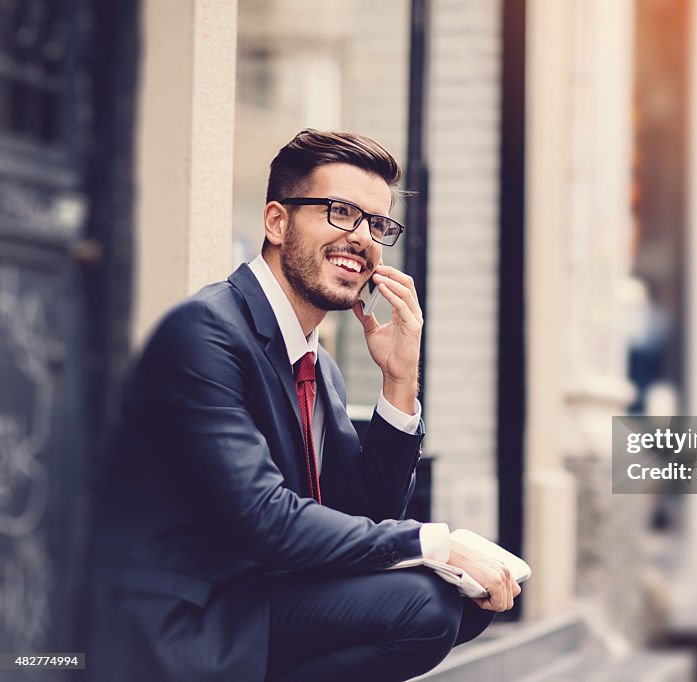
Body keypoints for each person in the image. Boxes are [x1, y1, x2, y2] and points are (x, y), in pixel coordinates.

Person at [86, 129, 519, 681]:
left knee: (465, 602)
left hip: (261, 596)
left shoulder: (319, 367)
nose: (362, 237)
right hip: (186, 620)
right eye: (340, 212)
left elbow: (367, 515)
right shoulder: (205, 332)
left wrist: (399, 380)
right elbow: (268, 520)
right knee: (424, 607)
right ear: (276, 222)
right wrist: (438, 542)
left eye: (376, 224)